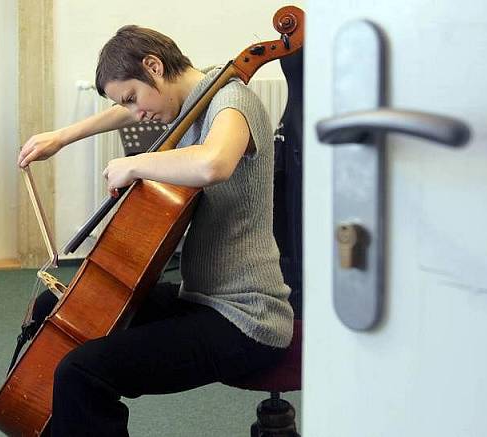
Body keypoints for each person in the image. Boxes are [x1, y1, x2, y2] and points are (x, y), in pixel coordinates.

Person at [17, 25, 294, 435]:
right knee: (52, 308)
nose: (135, 113)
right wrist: (62, 136)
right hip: (200, 297)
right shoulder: (194, 96)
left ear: (154, 65)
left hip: (246, 320)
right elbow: (124, 107)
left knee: (83, 371)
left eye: (132, 97)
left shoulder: (233, 100)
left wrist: (135, 164)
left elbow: (213, 164)